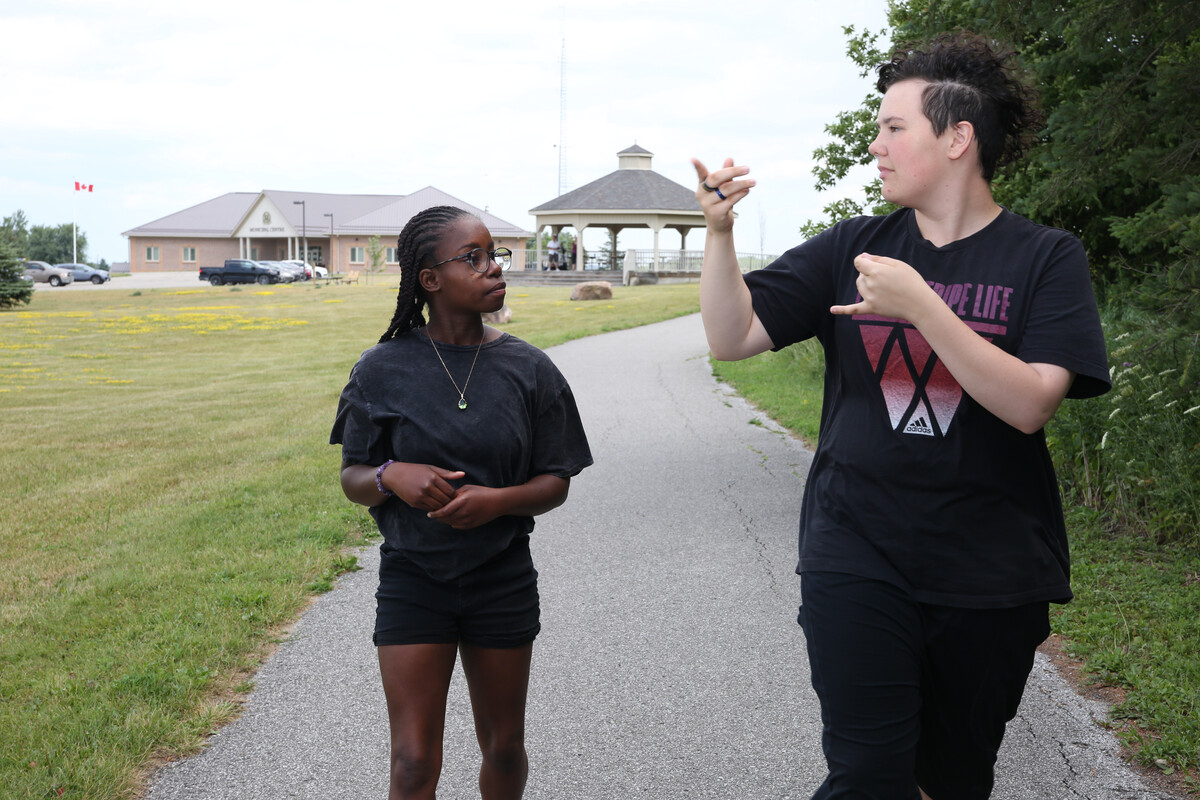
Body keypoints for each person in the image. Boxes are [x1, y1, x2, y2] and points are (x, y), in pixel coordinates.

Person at [692, 32, 1110, 800]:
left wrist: (923, 307)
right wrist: (719, 238)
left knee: (951, 781)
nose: (876, 147)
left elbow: (1029, 405)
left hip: (991, 570)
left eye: (894, 128)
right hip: (857, 549)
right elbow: (732, 336)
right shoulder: (855, 247)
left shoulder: (1046, 258)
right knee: (868, 776)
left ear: (958, 138)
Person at [330, 205, 592, 799]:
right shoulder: (381, 369)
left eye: (493, 253)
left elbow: (557, 480)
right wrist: (393, 474)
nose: (495, 267)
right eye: (473, 258)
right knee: (414, 761)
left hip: (500, 576)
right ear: (430, 279)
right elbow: (353, 476)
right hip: (414, 577)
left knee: (503, 745)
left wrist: (496, 502)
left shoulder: (530, 370)